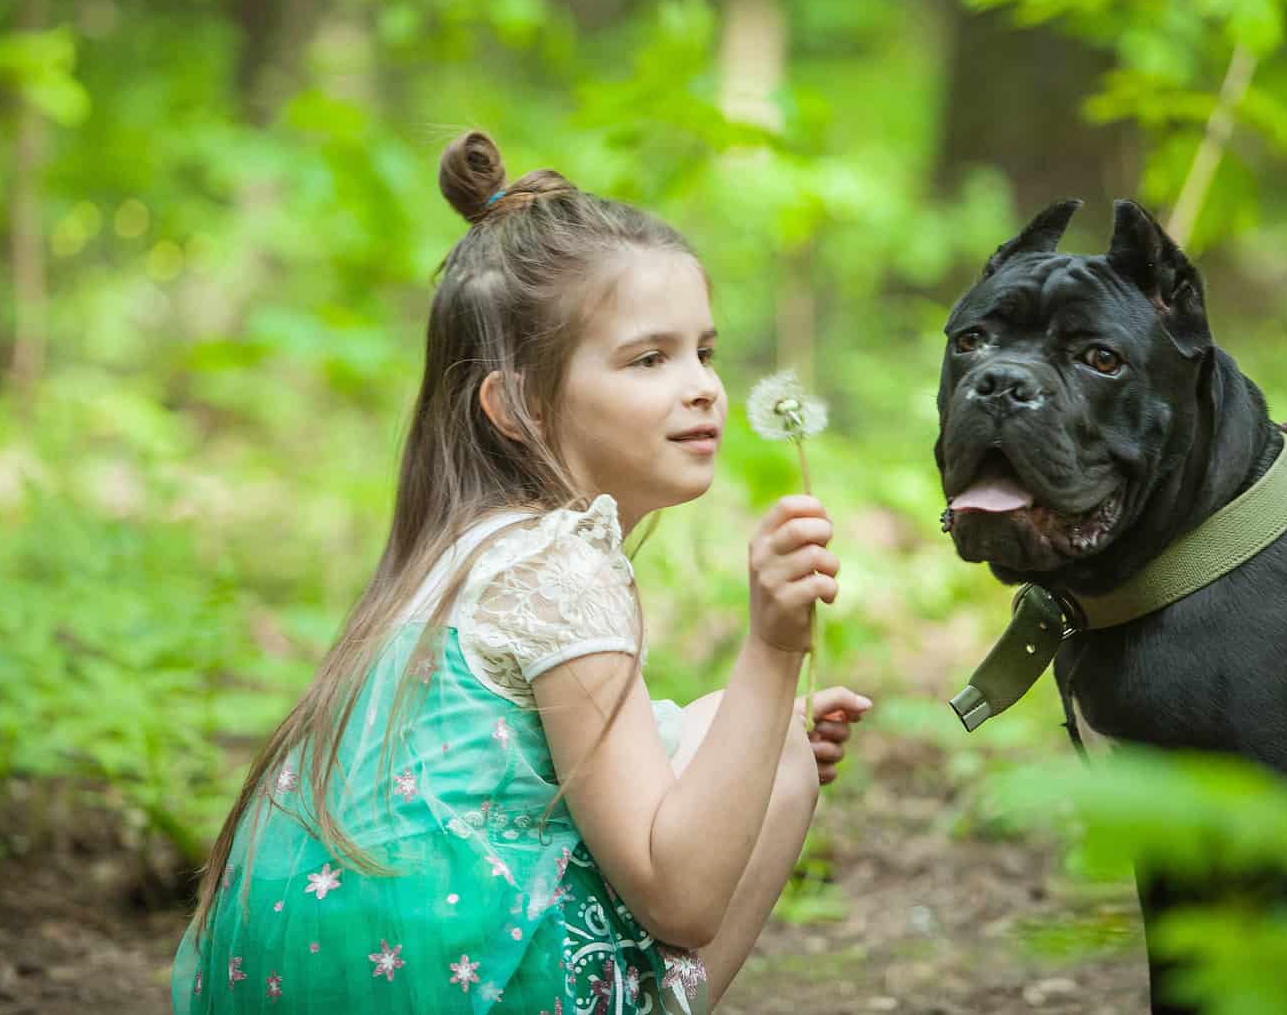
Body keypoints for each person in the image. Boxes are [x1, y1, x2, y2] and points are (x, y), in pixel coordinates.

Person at [172, 131, 873, 1013]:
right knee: (777, 767)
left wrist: (751, 721)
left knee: (720, 729)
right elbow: (680, 897)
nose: (701, 387)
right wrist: (772, 653)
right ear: (517, 406)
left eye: (706, 351)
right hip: (464, 993)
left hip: (297, 983)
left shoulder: (459, 552)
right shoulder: (560, 567)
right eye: (650, 358)